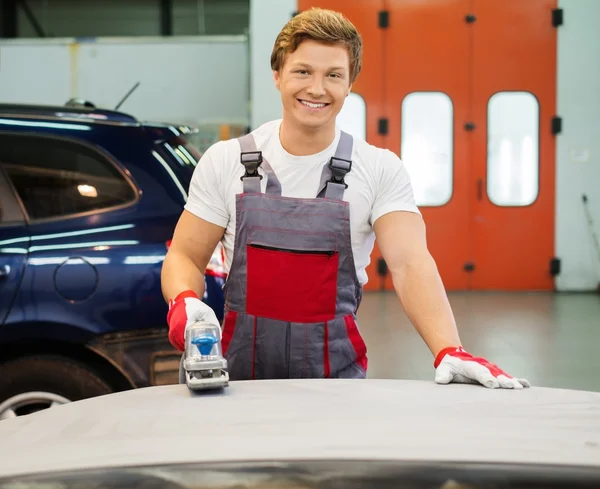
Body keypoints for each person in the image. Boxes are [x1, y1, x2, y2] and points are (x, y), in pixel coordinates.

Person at [161, 7, 530, 389]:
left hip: (337, 388)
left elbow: (410, 264)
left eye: (333, 75)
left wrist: (449, 348)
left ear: (350, 84)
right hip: (236, 382)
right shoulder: (227, 161)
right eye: (303, 71)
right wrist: (183, 299)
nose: (317, 89)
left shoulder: (378, 168)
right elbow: (186, 255)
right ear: (277, 76)